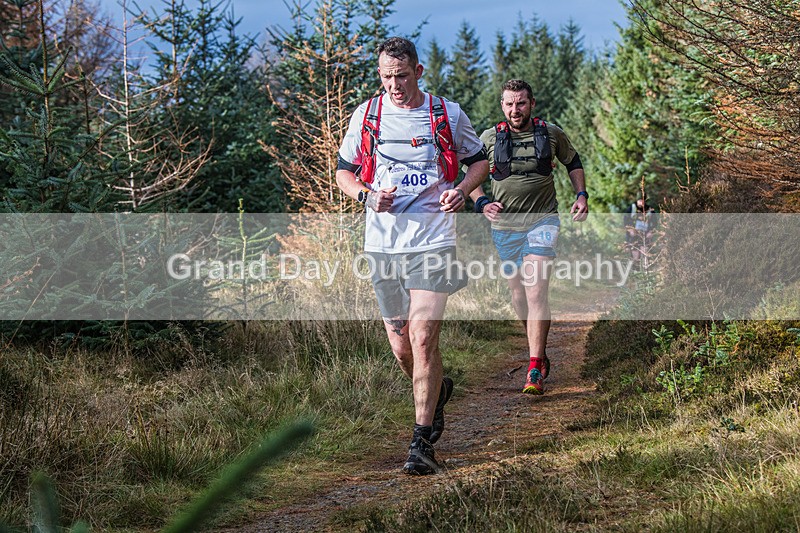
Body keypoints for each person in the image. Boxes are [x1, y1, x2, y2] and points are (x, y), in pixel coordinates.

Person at [335, 37, 489, 475]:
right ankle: (436, 390)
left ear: (418, 72)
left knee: (423, 339)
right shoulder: (366, 115)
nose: (394, 85)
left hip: (433, 240)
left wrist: (460, 191)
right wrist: (366, 196)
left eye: (402, 76)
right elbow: (345, 171)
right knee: (402, 347)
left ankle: (421, 445)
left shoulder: (447, 113)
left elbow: (477, 162)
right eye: (386, 76)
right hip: (382, 245)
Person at [470, 79, 588, 395]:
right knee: (519, 296)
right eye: (509, 103)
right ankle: (538, 347)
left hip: (543, 222)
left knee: (536, 293)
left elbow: (573, 162)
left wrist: (581, 195)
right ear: (502, 105)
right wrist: (481, 202)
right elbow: (471, 175)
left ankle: (534, 367)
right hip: (505, 229)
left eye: (520, 103)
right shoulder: (489, 138)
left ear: (531, 103)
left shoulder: (551, 133)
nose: (515, 109)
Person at [623, 192, 656, 269]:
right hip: (633, 235)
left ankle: (646, 272)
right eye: (640, 200)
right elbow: (625, 221)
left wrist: (651, 232)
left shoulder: (650, 209)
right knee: (636, 255)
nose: (642, 202)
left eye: (644, 200)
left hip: (645, 235)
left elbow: (655, 223)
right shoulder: (631, 208)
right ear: (637, 200)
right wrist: (630, 230)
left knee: (645, 253)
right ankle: (635, 271)